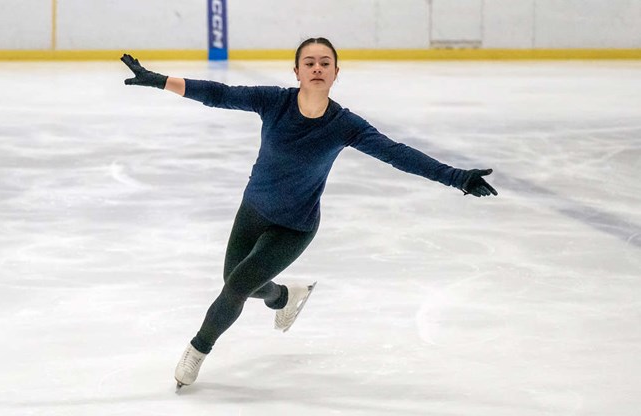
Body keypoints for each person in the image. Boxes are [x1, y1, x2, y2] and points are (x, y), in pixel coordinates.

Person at [120, 37, 497, 390]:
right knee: (239, 283)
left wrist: (457, 177)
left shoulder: (344, 125)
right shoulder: (275, 102)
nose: (317, 67)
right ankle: (285, 296)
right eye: (310, 62)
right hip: (253, 210)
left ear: (335, 73)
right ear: (297, 71)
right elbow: (220, 94)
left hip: (295, 226)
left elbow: (396, 154)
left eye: (325, 63)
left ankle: (197, 350)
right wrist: (160, 81)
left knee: (235, 287)